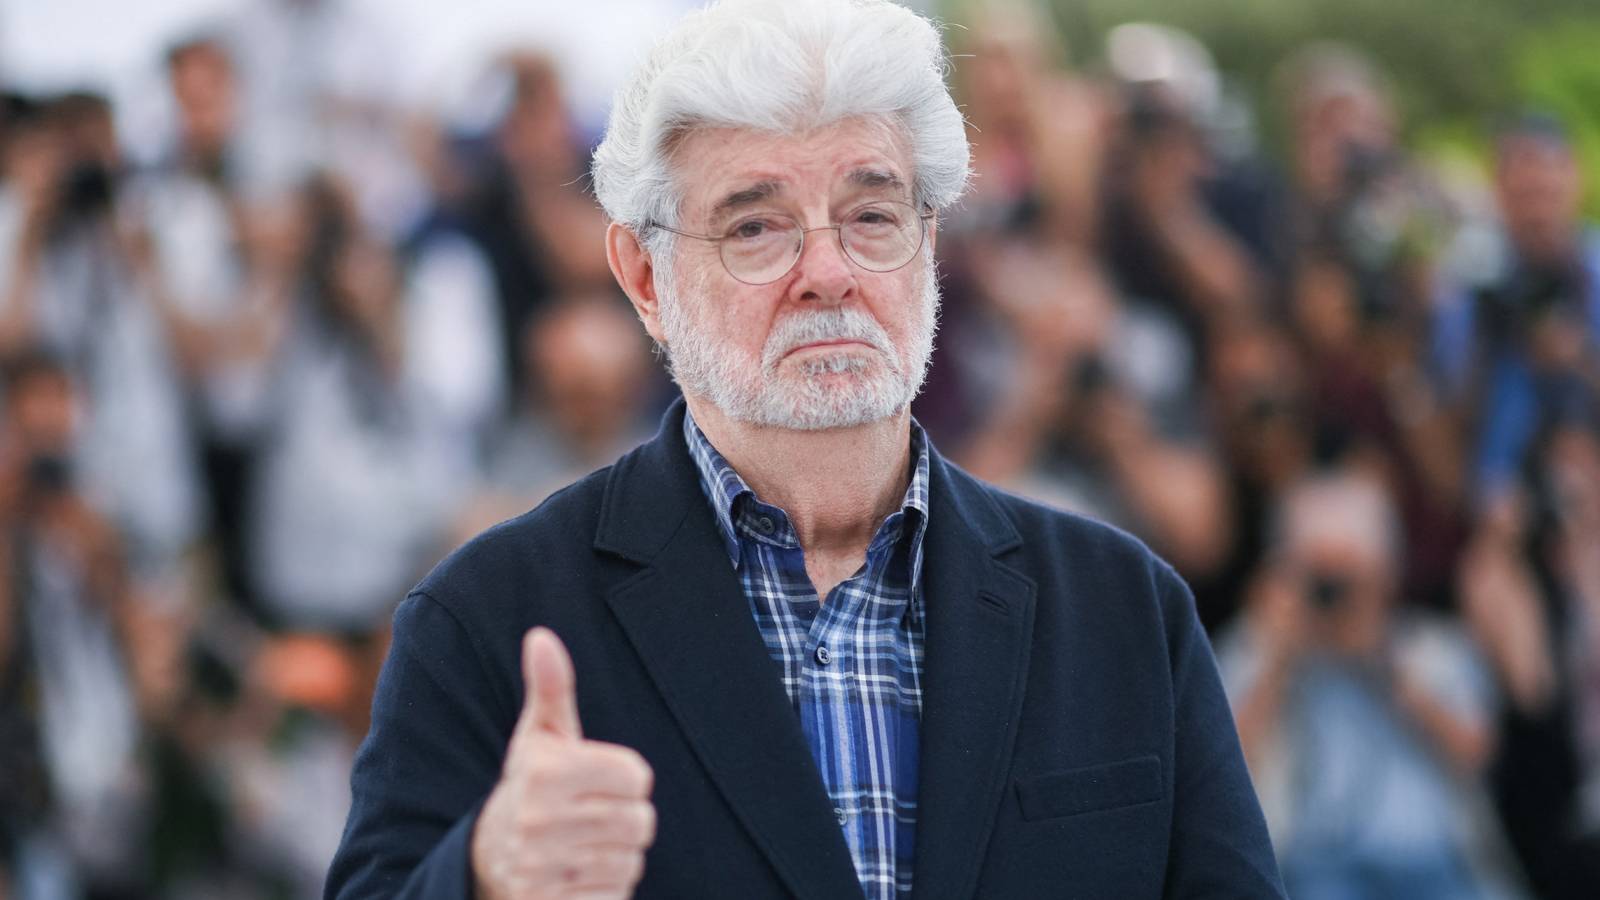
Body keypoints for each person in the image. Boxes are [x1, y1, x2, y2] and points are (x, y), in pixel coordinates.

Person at [326, 2, 1283, 898]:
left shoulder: (1125, 613)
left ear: (929, 238)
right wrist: (485, 875)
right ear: (644, 277)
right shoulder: (488, 617)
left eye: (871, 216)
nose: (828, 273)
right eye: (756, 226)